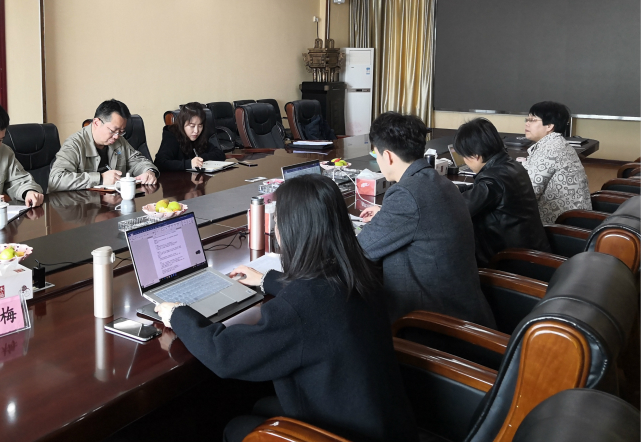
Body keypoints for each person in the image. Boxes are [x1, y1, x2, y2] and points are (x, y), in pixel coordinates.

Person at [154, 175, 418, 442]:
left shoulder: (300, 307)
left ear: (291, 229)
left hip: (343, 434)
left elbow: (225, 355)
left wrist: (178, 315)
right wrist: (266, 279)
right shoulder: (358, 272)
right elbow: (318, 295)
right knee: (261, 405)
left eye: (278, 219)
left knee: (236, 427)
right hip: (384, 422)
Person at [357, 112, 495, 327]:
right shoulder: (440, 182)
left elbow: (360, 250)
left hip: (431, 326)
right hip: (463, 311)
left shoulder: (406, 194)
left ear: (388, 156)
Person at [454, 117, 551, 265]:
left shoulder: (492, 180)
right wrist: (458, 188)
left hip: (513, 262)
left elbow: (457, 211)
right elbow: (483, 191)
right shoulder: (510, 165)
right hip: (532, 252)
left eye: (464, 157)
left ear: (475, 156)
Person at [48, 99, 158, 192]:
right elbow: (56, 180)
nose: (116, 136)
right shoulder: (74, 144)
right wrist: (100, 178)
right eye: (113, 130)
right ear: (96, 123)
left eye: (121, 132)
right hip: (82, 206)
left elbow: (137, 161)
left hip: (113, 203)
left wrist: (148, 171)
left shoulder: (119, 140)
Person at [522, 101, 591, 223]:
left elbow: (529, 193)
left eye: (532, 120)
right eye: (527, 119)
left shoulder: (550, 150)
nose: (527, 123)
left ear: (549, 126)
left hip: (563, 225)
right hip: (575, 218)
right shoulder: (555, 143)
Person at [153, 102, 225, 172]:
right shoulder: (171, 135)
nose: (196, 131)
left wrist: (200, 159)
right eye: (192, 126)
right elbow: (160, 163)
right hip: (177, 179)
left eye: (200, 126)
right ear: (182, 124)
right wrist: (189, 163)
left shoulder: (200, 136)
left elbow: (220, 154)